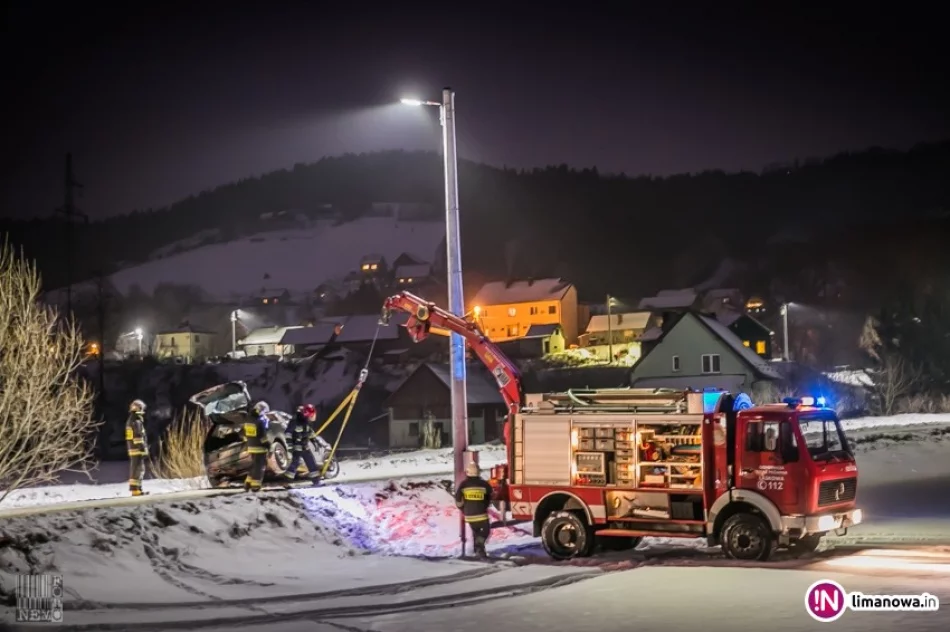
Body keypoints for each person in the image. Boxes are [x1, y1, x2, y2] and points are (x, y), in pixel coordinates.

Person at [455, 462, 494, 558]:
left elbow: (458, 500)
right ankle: (479, 546)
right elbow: (490, 497)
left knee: (476, 532)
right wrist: (485, 505)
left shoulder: (463, 485)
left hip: (469, 515)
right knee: (485, 531)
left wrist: (463, 509)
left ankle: (479, 551)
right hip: (481, 514)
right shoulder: (484, 484)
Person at [282, 404, 321, 483]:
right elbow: (288, 433)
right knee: (295, 464)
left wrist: (315, 441)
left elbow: (309, 432)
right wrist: (290, 446)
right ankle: (286, 482)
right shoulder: (295, 421)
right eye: (311, 415)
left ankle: (316, 481)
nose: (312, 417)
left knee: (311, 462)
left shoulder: (306, 421)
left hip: (304, 446)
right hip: (297, 446)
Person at [244, 401, 272, 492]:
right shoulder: (260, 420)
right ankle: (255, 486)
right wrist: (267, 444)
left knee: (254, 465)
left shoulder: (249, 418)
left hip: (251, 446)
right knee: (259, 467)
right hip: (260, 447)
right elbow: (262, 436)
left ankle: (248, 483)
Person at [126, 399, 149, 496]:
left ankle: (137, 489)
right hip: (137, 449)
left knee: (136, 469)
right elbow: (138, 436)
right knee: (138, 469)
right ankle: (136, 490)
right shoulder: (136, 420)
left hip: (133, 449)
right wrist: (143, 448)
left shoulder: (132, 419)